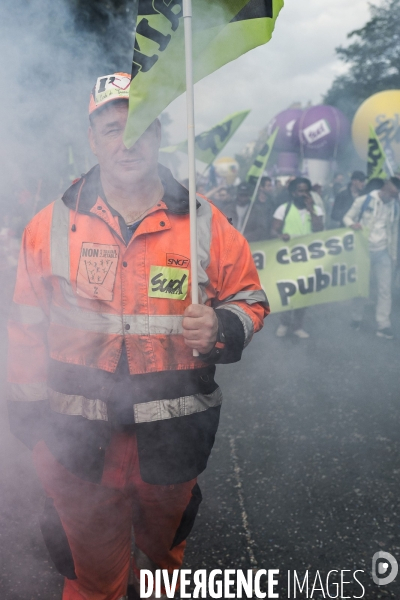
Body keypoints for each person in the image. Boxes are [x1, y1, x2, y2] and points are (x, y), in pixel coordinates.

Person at [7, 72, 269, 600]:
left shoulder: (204, 221)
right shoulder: (49, 225)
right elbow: (25, 326)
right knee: (91, 578)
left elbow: (251, 299)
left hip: (173, 441)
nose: (126, 142)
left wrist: (222, 325)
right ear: (91, 137)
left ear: (159, 134)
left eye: (140, 126)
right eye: (110, 129)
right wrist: (32, 422)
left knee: (165, 567)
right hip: (76, 442)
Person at [343, 176, 400, 339]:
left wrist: (394, 257)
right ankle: (356, 318)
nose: (394, 197)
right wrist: (351, 225)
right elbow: (347, 217)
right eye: (393, 194)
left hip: (384, 253)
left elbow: (394, 232)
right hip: (363, 251)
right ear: (386, 189)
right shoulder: (364, 200)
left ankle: (383, 324)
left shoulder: (395, 207)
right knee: (361, 287)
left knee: (385, 289)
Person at [271, 177, 324, 339]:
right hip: (287, 259)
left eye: (306, 191)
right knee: (287, 293)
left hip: (307, 260)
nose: (304, 194)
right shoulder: (283, 209)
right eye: (300, 191)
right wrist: (281, 235)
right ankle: (284, 323)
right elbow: (273, 231)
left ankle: (297, 326)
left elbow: (319, 229)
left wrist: (311, 209)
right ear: (293, 193)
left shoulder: (316, 210)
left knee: (303, 294)